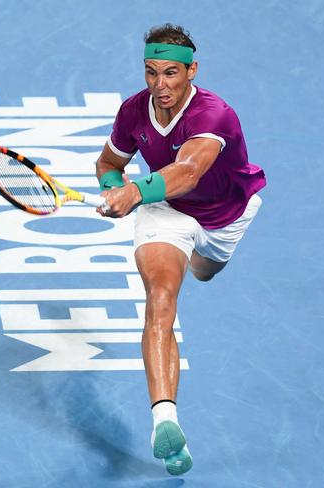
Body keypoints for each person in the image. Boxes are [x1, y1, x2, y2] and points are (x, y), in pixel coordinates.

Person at [95, 24, 266, 476]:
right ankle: (164, 419)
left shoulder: (214, 114)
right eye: (151, 72)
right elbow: (110, 163)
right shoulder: (134, 111)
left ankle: (195, 257)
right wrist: (114, 188)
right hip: (165, 211)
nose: (160, 85)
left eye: (171, 73)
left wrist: (133, 192)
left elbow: (188, 170)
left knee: (205, 270)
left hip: (226, 215)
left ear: (192, 70)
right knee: (160, 300)